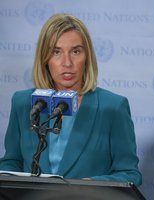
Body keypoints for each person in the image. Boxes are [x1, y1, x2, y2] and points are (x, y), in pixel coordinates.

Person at [0, 13, 142, 187]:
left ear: (87, 57)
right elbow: (11, 163)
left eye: (76, 51)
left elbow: (130, 175)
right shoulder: (23, 103)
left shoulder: (112, 107)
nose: (67, 63)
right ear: (44, 58)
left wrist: (90, 185)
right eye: (56, 52)